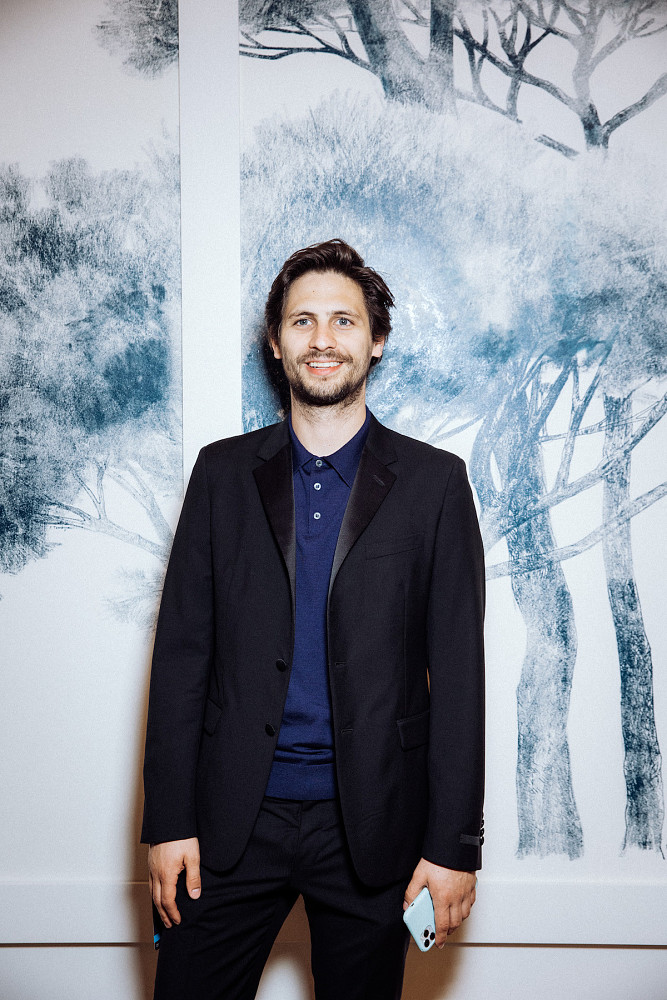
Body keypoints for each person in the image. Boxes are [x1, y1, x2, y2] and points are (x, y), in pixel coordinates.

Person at [142, 239, 485, 1000]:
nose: (322, 339)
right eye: (302, 321)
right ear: (275, 341)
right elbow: (181, 659)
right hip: (230, 821)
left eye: (343, 321)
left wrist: (454, 845)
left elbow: (460, 677)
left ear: (376, 340)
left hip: (374, 826)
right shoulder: (220, 474)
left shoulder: (434, 484)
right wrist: (167, 823)